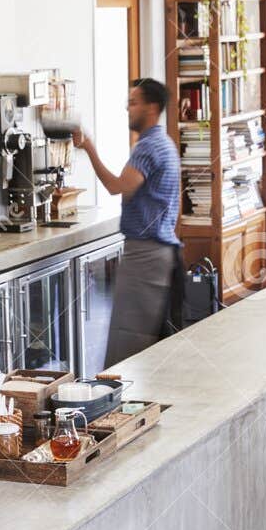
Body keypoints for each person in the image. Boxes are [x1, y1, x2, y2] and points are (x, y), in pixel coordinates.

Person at [73, 78, 182, 365]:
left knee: (126, 349)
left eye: (133, 102)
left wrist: (90, 148)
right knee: (144, 346)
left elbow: (119, 186)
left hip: (146, 255)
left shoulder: (148, 148)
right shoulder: (165, 143)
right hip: (159, 253)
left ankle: (120, 408)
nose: (127, 109)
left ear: (152, 107)